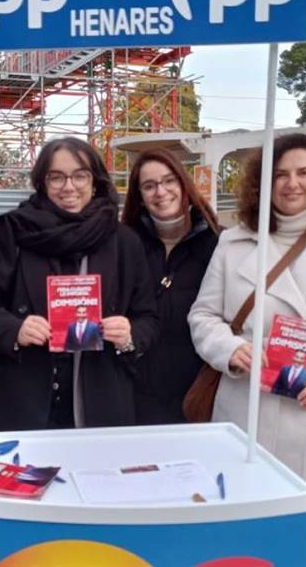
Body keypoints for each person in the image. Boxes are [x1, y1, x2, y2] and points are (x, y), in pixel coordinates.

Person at [188, 133, 306, 566]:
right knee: (242, 527)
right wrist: (229, 349)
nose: (292, 184)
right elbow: (203, 317)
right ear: (263, 183)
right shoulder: (233, 242)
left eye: (303, 173)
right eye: (280, 174)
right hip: (244, 408)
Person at [0, 137, 158, 431]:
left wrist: (129, 334)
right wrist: (14, 329)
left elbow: (148, 316)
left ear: (95, 180)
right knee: (25, 477)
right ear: (42, 182)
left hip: (100, 400)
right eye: (56, 177)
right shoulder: (9, 232)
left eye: (79, 175)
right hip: (23, 398)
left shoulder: (123, 242)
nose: (68, 186)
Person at [121, 147, 220, 425]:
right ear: (139, 197)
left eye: (168, 181)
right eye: (149, 186)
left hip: (197, 393)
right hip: (135, 394)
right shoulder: (124, 246)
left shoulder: (218, 243)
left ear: (183, 184)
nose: (160, 192)